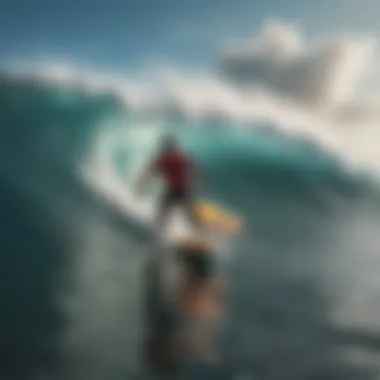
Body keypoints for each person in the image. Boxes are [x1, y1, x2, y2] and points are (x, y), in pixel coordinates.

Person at [176, 236, 228, 368]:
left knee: (195, 345)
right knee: (204, 347)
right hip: (211, 312)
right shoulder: (219, 281)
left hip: (197, 311)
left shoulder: (190, 282)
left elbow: (184, 303)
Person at [138, 134, 202, 235]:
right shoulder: (181, 157)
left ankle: (160, 233)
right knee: (189, 212)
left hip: (173, 189)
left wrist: (143, 183)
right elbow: (194, 170)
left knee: (164, 212)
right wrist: (197, 184)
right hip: (184, 189)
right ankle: (198, 231)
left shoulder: (165, 158)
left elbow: (153, 169)